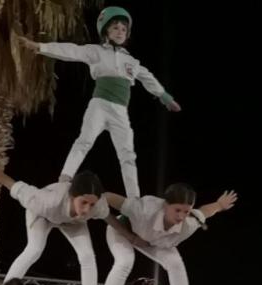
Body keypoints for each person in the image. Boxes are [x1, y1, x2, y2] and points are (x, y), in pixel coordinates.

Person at [16, 6, 181, 195]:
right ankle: (64, 180)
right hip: (100, 106)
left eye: (123, 29)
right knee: (84, 141)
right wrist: (40, 47)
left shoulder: (132, 62)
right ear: (106, 31)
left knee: (127, 154)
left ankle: (134, 198)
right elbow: (71, 51)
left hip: (120, 111)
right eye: (115, 28)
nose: (120, 32)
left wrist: (166, 98)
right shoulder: (96, 52)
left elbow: (148, 78)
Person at [0, 144, 141, 285]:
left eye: (91, 204)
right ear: (72, 195)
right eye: (83, 202)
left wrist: (131, 238)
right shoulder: (46, 200)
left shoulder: (97, 206)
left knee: (87, 256)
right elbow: (9, 183)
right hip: (43, 216)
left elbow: (110, 219)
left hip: (72, 222)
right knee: (34, 249)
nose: (87, 209)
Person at [100, 185, 238, 285]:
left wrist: (220, 204)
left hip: (153, 242)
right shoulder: (144, 209)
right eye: (177, 210)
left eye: (186, 211)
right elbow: (106, 197)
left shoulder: (189, 224)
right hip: (122, 230)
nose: (181, 216)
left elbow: (205, 211)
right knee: (125, 261)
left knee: (176, 264)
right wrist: (131, 237)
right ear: (165, 205)